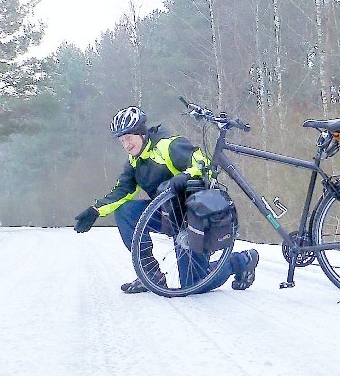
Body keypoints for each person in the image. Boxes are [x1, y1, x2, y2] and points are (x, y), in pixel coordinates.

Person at [74, 106, 259, 294]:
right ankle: (151, 275)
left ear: (141, 133)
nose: (126, 145)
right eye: (122, 141)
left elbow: (203, 164)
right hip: (167, 216)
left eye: (129, 138)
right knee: (125, 211)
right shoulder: (135, 161)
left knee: (194, 284)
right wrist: (96, 210)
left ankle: (241, 261)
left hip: (194, 220)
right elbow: (121, 192)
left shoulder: (169, 146)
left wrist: (185, 176)